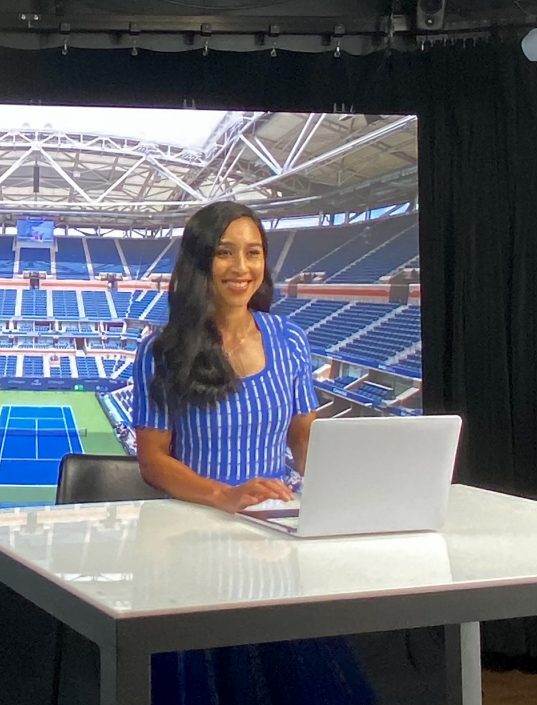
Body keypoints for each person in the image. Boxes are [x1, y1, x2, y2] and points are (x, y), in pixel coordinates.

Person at [131, 200, 373, 705]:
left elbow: (303, 438)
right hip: (193, 540)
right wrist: (224, 495)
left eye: (253, 253)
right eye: (225, 253)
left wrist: (342, 494)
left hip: (277, 535)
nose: (242, 268)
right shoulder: (162, 351)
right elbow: (154, 461)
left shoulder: (290, 338)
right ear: (200, 262)